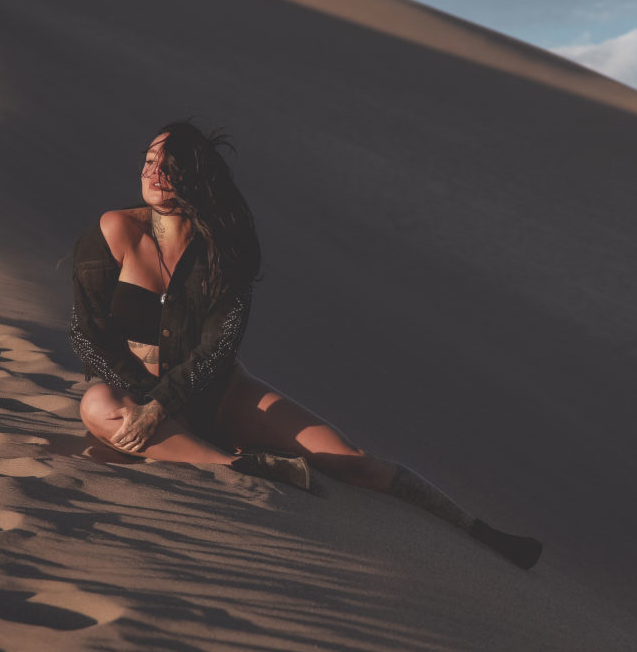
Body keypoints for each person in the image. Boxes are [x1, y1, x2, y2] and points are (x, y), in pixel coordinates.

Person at [71, 121, 543, 570]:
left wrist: (165, 406)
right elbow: (88, 334)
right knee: (97, 405)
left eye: (168, 163)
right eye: (149, 160)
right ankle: (241, 467)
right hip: (132, 390)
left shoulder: (226, 249)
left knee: (349, 461)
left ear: (194, 174)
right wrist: (149, 404)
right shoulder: (115, 230)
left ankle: (479, 530)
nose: (153, 172)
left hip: (217, 392)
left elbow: (219, 345)